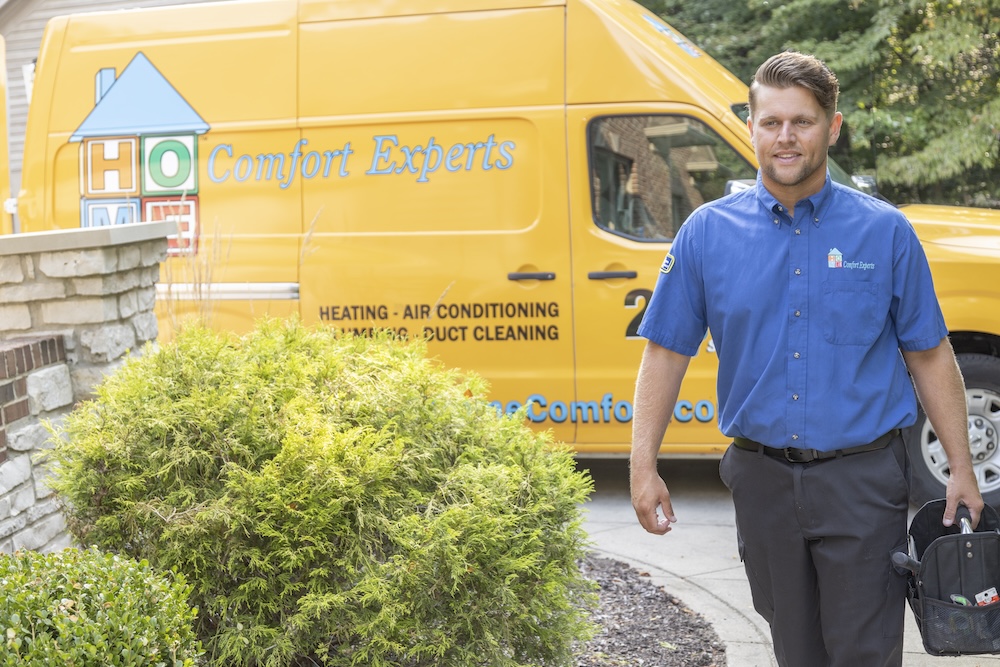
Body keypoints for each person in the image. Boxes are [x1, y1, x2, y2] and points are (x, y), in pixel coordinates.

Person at [628, 51, 984, 667]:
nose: (785, 138)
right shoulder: (706, 234)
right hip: (761, 482)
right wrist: (642, 466)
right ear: (751, 126)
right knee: (794, 650)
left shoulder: (885, 233)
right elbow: (665, 354)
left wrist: (961, 466)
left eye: (802, 122)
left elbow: (929, 353)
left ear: (833, 127)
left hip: (862, 481)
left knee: (865, 652)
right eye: (771, 122)